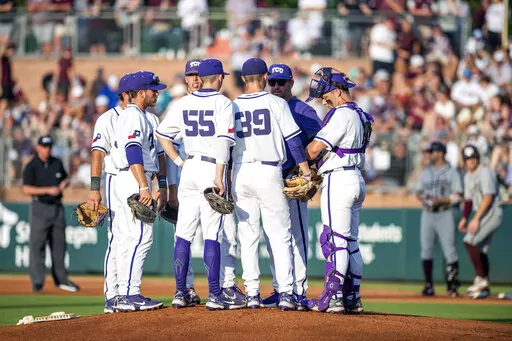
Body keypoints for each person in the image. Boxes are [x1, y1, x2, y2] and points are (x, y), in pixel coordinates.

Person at [156, 59, 245, 310]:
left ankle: (180, 292)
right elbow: (223, 142)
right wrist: (219, 176)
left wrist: (179, 161)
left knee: (183, 233)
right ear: (217, 77)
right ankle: (215, 295)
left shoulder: (182, 102)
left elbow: (162, 135)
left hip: (190, 167)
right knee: (212, 235)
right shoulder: (223, 102)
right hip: (210, 167)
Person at [231, 58, 312, 311]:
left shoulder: (231, 106)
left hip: (240, 172)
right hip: (269, 171)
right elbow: (295, 141)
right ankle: (286, 292)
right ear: (265, 76)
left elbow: (225, 146)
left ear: (243, 79)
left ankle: (252, 293)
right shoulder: (276, 102)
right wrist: (306, 171)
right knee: (279, 235)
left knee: (248, 237)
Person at [304, 67, 373, 313]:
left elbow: (313, 150)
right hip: (355, 178)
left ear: (337, 91)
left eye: (326, 94)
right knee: (351, 242)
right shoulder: (361, 114)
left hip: (339, 179)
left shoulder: (342, 113)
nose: (323, 99)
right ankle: (352, 298)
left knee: (335, 241)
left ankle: (333, 298)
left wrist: (300, 162)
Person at [260, 63, 322, 310]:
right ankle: (281, 287)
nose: (275, 87)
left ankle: (299, 290)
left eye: (280, 82)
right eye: (272, 82)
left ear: (291, 83)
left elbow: (323, 143)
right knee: (273, 238)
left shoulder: (303, 111)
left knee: (296, 237)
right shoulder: (265, 106)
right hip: (270, 179)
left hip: (293, 178)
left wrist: (309, 169)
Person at [110, 71, 168, 312]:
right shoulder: (133, 116)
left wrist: (157, 183)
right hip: (133, 178)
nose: (157, 92)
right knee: (140, 237)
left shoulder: (142, 116)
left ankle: (124, 292)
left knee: (130, 239)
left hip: (133, 177)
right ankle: (129, 293)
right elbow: (133, 150)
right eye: (153, 89)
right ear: (140, 92)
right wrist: (144, 185)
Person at [22, 135, 79, 293]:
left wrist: (64, 184)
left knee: (59, 245)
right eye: (44, 146)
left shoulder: (56, 162)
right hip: (40, 206)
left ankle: (61, 279)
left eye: (49, 146)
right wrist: (48, 190)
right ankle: (38, 282)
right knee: (37, 245)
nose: (47, 149)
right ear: (38, 147)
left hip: (57, 207)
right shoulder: (32, 165)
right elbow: (26, 189)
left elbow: (65, 178)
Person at [415, 141, 462, 297]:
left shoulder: (451, 172)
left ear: (440, 153)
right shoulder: (426, 172)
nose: (429, 155)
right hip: (427, 213)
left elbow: (458, 195)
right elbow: (418, 192)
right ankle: (428, 285)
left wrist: (440, 201)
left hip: (445, 212)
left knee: (450, 250)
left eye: (432, 152)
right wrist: (424, 197)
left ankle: (452, 286)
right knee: (426, 250)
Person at [458, 144, 503, 299]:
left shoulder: (485, 172)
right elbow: (469, 201)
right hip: (481, 213)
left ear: (477, 158)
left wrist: (475, 219)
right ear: (464, 161)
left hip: (492, 212)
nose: (471, 161)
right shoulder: (467, 176)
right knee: (481, 251)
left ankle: (481, 279)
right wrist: (465, 217)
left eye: (473, 158)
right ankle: (484, 288)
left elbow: (488, 196)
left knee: (469, 240)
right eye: (468, 159)